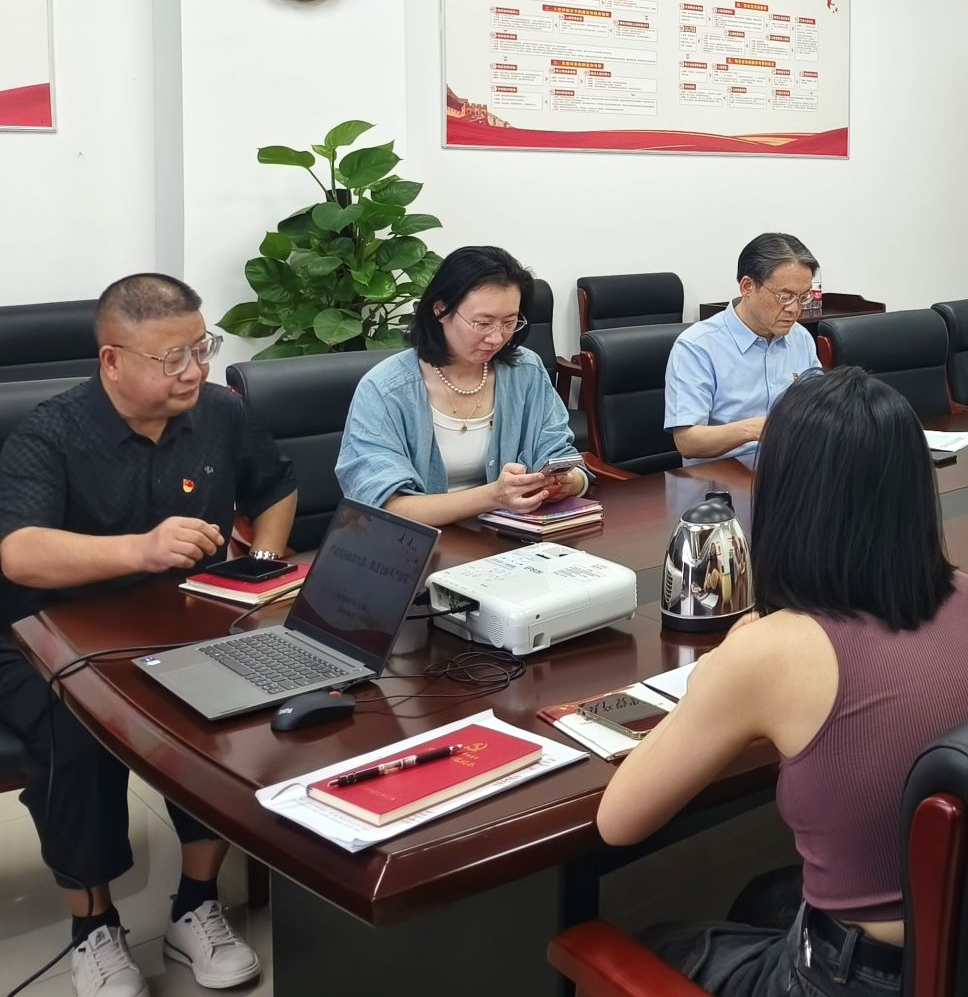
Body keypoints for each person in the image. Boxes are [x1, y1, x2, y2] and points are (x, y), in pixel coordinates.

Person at [598, 367, 968, 996]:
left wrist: (721, 672)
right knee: (761, 897)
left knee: (657, 943)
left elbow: (618, 821)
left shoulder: (771, 651)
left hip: (857, 978)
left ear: (786, 496)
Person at [0, 274, 295, 996]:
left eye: (201, 348)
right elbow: (19, 552)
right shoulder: (48, 432)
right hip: (51, 632)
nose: (194, 370)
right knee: (77, 737)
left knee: (230, 716)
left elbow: (277, 488)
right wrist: (141, 549)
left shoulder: (220, 412)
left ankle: (196, 904)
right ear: (112, 361)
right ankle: (93, 925)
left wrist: (258, 571)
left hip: (184, 616)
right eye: (172, 358)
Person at [336, 245, 586, 525]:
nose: (496, 337)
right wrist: (494, 496)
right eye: (483, 323)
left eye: (509, 322)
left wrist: (570, 481)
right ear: (441, 311)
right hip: (420, 544)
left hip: (508, 538)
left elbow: (559, 452)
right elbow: (387, 507)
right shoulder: (384, 389)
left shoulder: (526, 371)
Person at [666, 233, 824, 462]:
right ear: (747, 286)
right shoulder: (697, 346)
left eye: (803, 297)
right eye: (785, 296)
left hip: (790, 468)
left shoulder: (800, 337)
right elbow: (687, 441)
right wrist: (755, 429)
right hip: (721, 476)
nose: (794, 309)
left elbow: (818, 408)